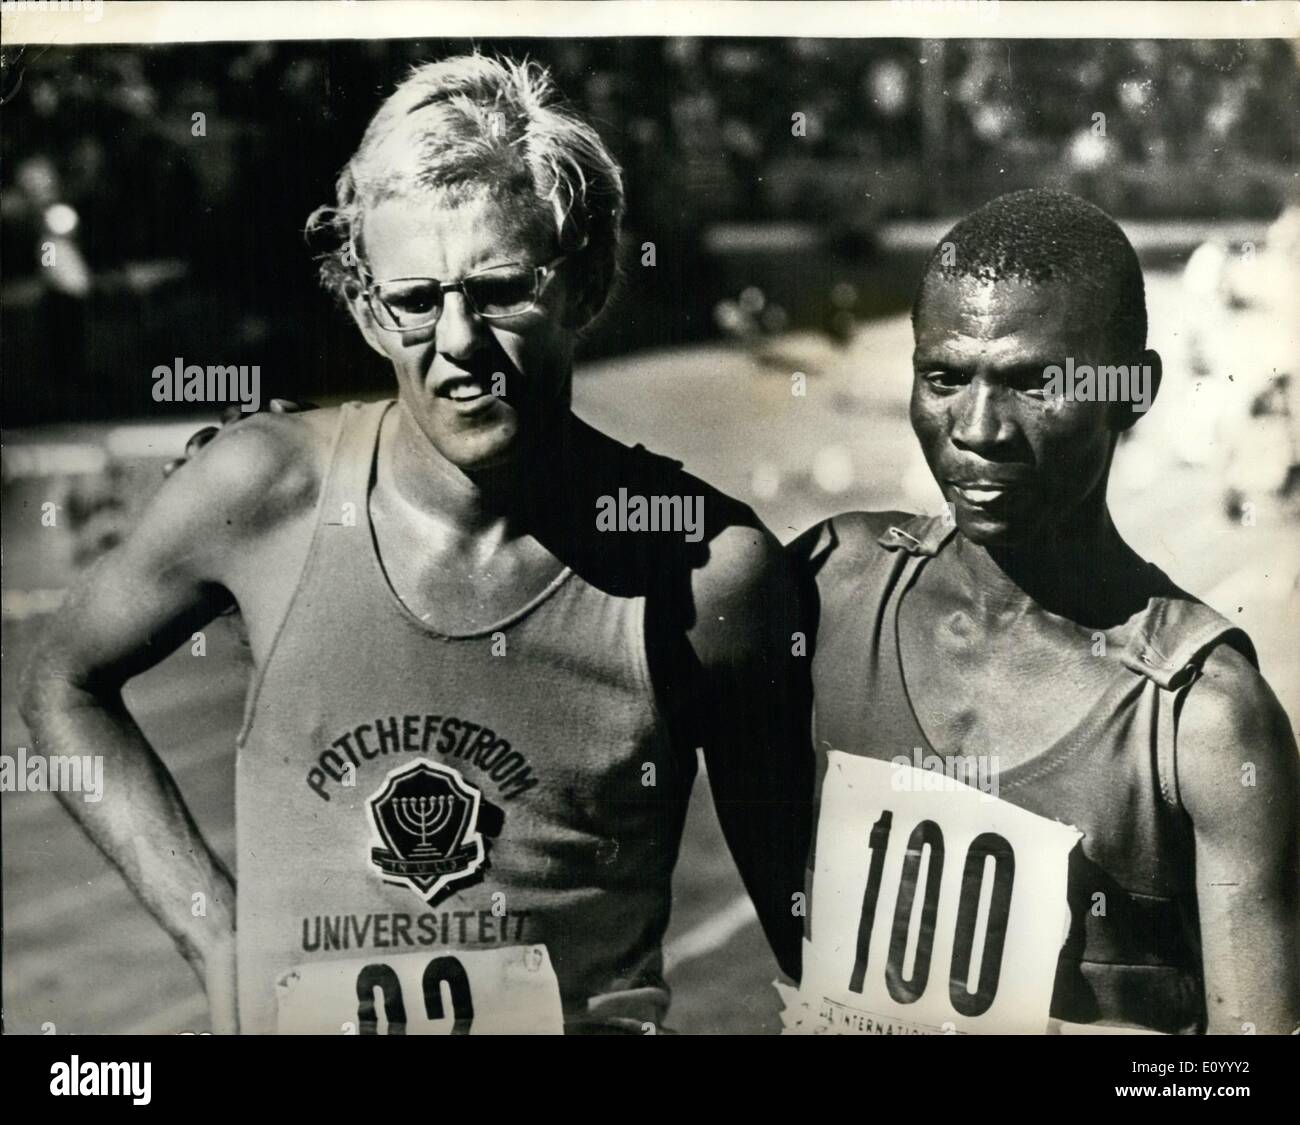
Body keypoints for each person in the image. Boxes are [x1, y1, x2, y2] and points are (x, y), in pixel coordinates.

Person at [20, 54, 811, 1035]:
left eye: (500, 290)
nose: (459, 341)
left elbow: (804, 933)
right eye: (414, 300)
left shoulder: (707, 571)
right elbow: (62, 680)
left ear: (588, 283)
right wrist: (211, 930)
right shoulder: (264, 492)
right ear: (364, 310)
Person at [783, 190, 1299, 1035]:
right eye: (944, 377)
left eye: (1034, 383)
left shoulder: (1202, 719)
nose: (979, 428)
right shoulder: (834, 589)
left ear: (1130, 390)